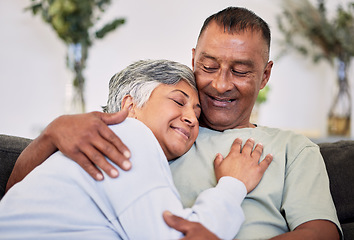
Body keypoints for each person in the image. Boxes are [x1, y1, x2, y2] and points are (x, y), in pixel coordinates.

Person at [6, 7, 342, 240]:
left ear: (265, 74)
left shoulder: (293, 149)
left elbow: (322, 232)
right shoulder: (156, 136)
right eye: (208, 66)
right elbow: (17, 194)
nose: (221, 84)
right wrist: (51, 134)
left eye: (240, 71)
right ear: (193, 58)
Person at [0, 59, 272, 240]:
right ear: (130, 105)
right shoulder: (128, 136)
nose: (191, 118)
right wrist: (233, 184)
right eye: (179, 102)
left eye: (197, 112)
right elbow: (176, 236)